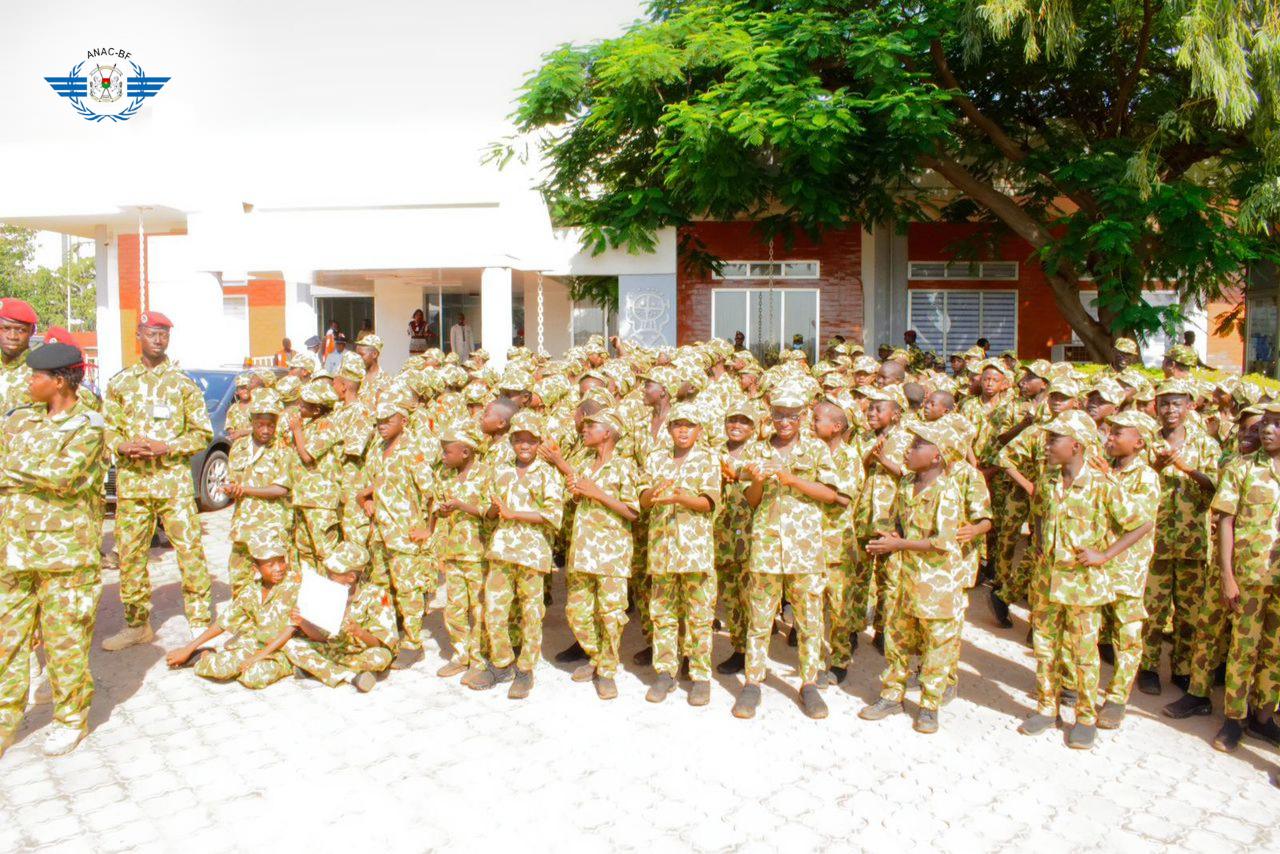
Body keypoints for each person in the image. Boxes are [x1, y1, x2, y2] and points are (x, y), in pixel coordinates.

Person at [1017, 411, 1151, 749]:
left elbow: (1141, 524)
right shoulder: (1047, 481)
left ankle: (1086, 716)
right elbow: (1041, 525)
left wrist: (1105, 555)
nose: (1046, 445)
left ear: (1075, 445)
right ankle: (1048, 708)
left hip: (1084, 585)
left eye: (1053, 440)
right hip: (1047, 581)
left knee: (1083, 654)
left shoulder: (1103, 484)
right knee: (1045, 648)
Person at [0, 342, 107, 758]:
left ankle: (70, 719)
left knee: (65, 644)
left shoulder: (90, 426)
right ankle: (6, 718)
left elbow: (61, 477)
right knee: (8, 642)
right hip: (14, 551)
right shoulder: (19, 420)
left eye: (35, 377)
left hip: (66, 557)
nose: (28, 383)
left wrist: (10, 473)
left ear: (59, 381)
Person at [101, 312, 215, 650]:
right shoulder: (120, 383)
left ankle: (199, 622)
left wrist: (168, 447)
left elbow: (202, 433)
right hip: (134, 484)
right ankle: (137, 624)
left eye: (164, 334)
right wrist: (121, 444)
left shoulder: (182, 384)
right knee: (132, 555)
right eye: (153, 333)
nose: (159, 340)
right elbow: (108, 428)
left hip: (173, 483)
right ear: (139, 335)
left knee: (190, 552)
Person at [734, 386, 843, 720]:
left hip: (805, 550)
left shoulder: (816, 450)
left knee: (810, 621)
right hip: (766, 548)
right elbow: (751, 501)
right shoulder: (756, 449)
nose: (784, 421)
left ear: (803, 415)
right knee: (759, 619)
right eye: (779, 414)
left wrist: (788, 478)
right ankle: (753, 682)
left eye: (791, 415)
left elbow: (831, 494)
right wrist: (757, 481)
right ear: (771, 413)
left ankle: (808, 684)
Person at [859, 421, 965, 733]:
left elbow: (944, 540)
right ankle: (892, 695)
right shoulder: (907, 484)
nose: (909, 449)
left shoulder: (947, 491)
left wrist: (898, 544)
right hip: (904, 575)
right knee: (897, 638)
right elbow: (899, 523)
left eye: (918, 445)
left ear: (937, 457)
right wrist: (889, 536)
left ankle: (930, 705)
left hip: (936, 581)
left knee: (936, 645)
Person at [474, 410, 565, 698]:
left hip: (532, 552)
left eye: (530, 441)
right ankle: (501, 663)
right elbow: (489, 510)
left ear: (539, 443)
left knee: (530, 613)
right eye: (519, 440)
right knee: (495, 609)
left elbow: (553, 514)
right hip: (502, 550)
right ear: (511, 441)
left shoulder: (547, 474)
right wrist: (492, 510)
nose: (524, 446)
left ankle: (525, 670)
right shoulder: (500, 470)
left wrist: (514, 514)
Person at [1207, 403, 1280, 751]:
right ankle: (1233, 719)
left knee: (1276, 651)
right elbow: (1226, 521)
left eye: (1278, 425)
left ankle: (1263, 718)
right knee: (1242, 649)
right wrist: (1228, 576)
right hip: (1250, 576)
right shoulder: (1243, 468)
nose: (1268, 430)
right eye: (1267, 423)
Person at [641, 402, 720, 706]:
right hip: (661, 549)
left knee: (699, 616)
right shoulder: (656, 459)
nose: (683, 430)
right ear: (669, 429)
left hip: (695, 551)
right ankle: (665, 672)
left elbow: (708, 502)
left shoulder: (708, 459)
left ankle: (700, 676)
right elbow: (644, 500)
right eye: (677, 425)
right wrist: (654, 493)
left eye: (689, 425)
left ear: (699, 430)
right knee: (663, 614)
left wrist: (679, 497)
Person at [564, 408, 640, 700]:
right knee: (577, 611)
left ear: (607, 433)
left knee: (610, 615)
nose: (584, 430)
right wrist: (577, 491)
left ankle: (607, 670)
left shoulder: (624, 467)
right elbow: (573, 498)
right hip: (583, 550)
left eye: (591, 426)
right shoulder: (584, 463)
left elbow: (632, 512)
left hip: (611, 554)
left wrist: (596, 493)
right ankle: (597, 656)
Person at [165, 528, 297, 690]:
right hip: (254, 644)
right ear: (256, 569)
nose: (278, 568)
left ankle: (286, 667)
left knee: (253, 678)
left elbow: (292, 628)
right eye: (270, 565)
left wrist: (257, 658)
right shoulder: (252, 590)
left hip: (282, 651)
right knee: (220, 669)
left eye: (281, 561)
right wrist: (188, 648)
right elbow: (223, 622)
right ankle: (205, 655)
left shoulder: (294, 585)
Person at [284, 541, 397, 693]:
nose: (328, 576)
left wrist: (360, 633)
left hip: (362, 653)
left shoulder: (377, 595)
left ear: (351, 577)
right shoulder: (326, 592)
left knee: (381, 657)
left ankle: (319, 669)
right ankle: (351, 676)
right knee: (293, 645)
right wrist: (302, 622)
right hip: (334, 650)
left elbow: (381, 643)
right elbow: (321, 638)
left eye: (333, 574)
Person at [428, 422, 490, 686]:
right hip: (453, 551)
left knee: (479, 609)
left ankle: (478, 659)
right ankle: (460, 654)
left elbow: (491, 512)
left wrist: (462, 505)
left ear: (465, 452)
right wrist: (441, 512)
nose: (443, 457)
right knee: (454, 607)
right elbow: (435, 506)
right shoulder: (444, 475)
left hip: (478, 553)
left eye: (447, 452)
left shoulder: (487, 474)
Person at [224, 388, 292, 599]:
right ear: (251, 422)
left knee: (272, 580)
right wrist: (231, 489)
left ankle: (268, 622)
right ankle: (243, 615)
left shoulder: (282, 449)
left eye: (270, 425)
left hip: (270, 524)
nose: (265, 430)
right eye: (260, 424)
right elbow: (233, 479)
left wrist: (245, 489)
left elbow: (280, 488)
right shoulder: (239, 447)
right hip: (243, 524)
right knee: (239, 574)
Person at [0, 298, 37, 414]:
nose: (12, 336)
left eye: (21, 330)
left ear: (32, 331)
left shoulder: (43, 373)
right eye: (5, 328)